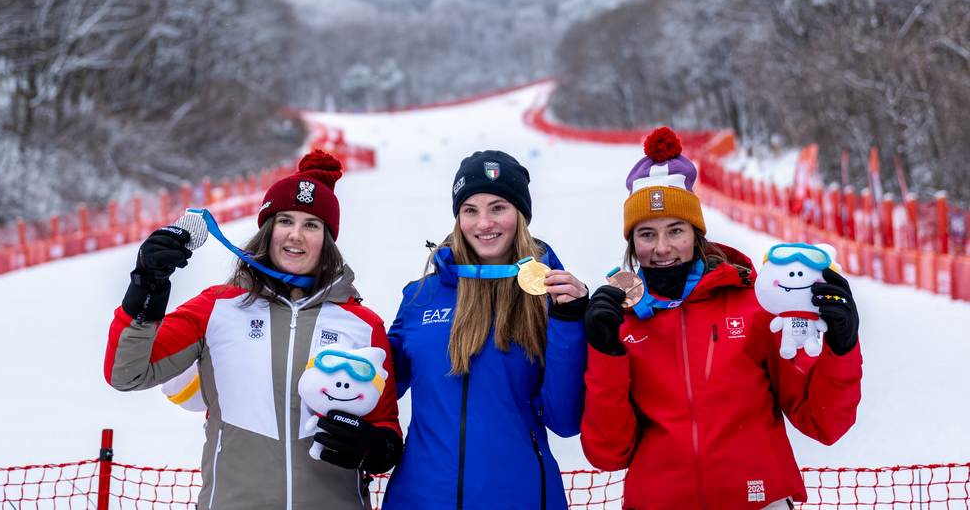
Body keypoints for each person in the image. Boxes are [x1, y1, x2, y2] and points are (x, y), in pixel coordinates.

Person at [103, 150, 402, 510]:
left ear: (328, 240)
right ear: (266, 229)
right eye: (285, 221)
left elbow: (385, 425)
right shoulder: (216, 308)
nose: (296, 235)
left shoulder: (362, 324)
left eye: (312, 225)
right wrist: (147, 286)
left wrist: (374, 447)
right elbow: (128, 373)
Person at [581, 128, 862, 510]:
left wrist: (842, 346)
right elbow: (608, 453)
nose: (662, 248)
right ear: (632, 244)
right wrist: (606, 352)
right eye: (646, 234)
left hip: (759, 500)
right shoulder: (620, 319)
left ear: (697, 234)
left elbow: (824, 423)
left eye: (676, 230)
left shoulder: (755, 304)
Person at [383, 150, 590, 510]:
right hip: (420, 498)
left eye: (498, 208)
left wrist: (570, 322)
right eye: (470, 210)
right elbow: (378, 389)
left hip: (520, 497)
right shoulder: (420, 296)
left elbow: (565, 419)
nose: (484, 223)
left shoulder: (549, 298)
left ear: (520, 215)